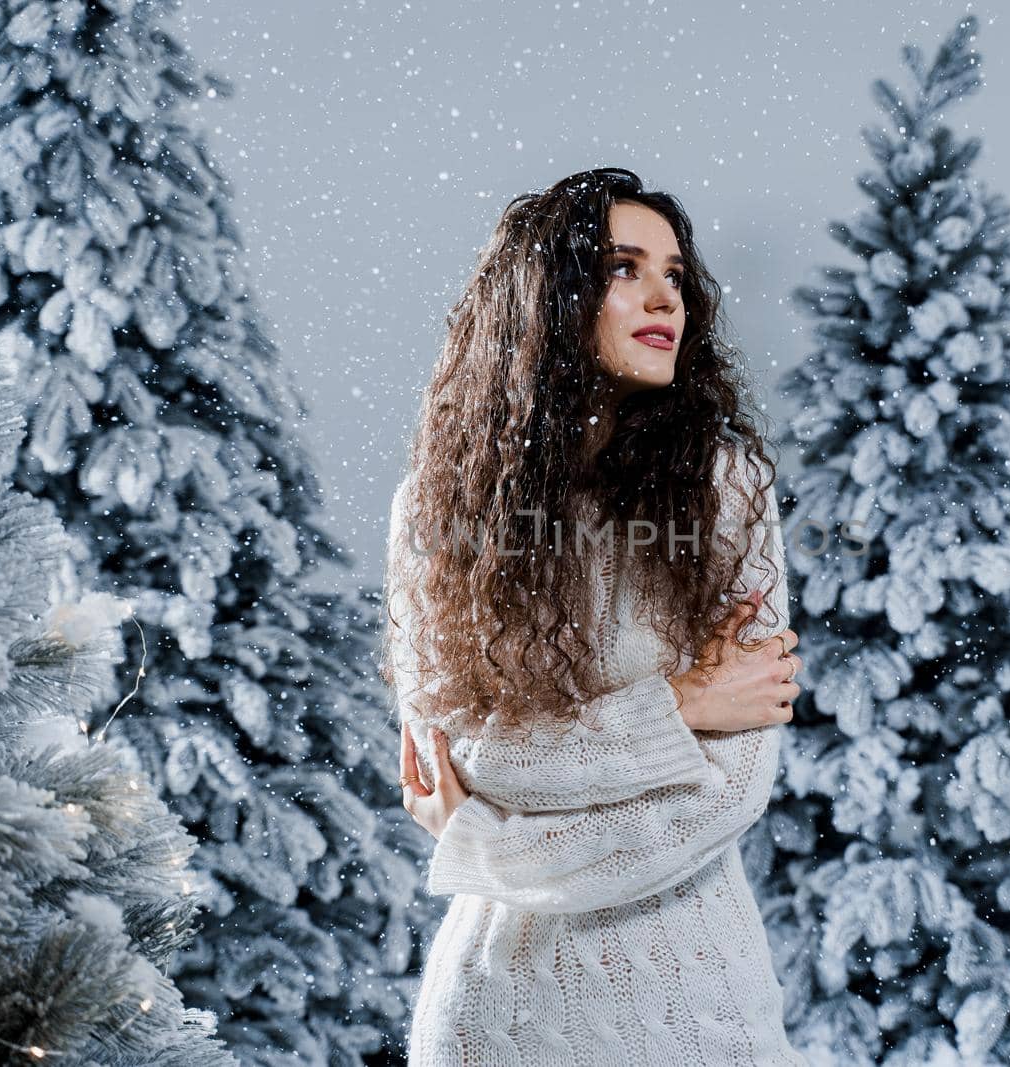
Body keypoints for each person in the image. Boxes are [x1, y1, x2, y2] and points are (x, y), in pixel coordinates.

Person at [382, 167, 807, 1065]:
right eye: (623, 267)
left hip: (699, 1017)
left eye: (677, 275)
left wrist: (488, 845)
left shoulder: (728, 493)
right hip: (493, 1021)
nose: (665, 298)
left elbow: (724, 794)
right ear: (548, 295)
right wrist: (680, 706)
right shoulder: (436, 507)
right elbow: (459, 763)